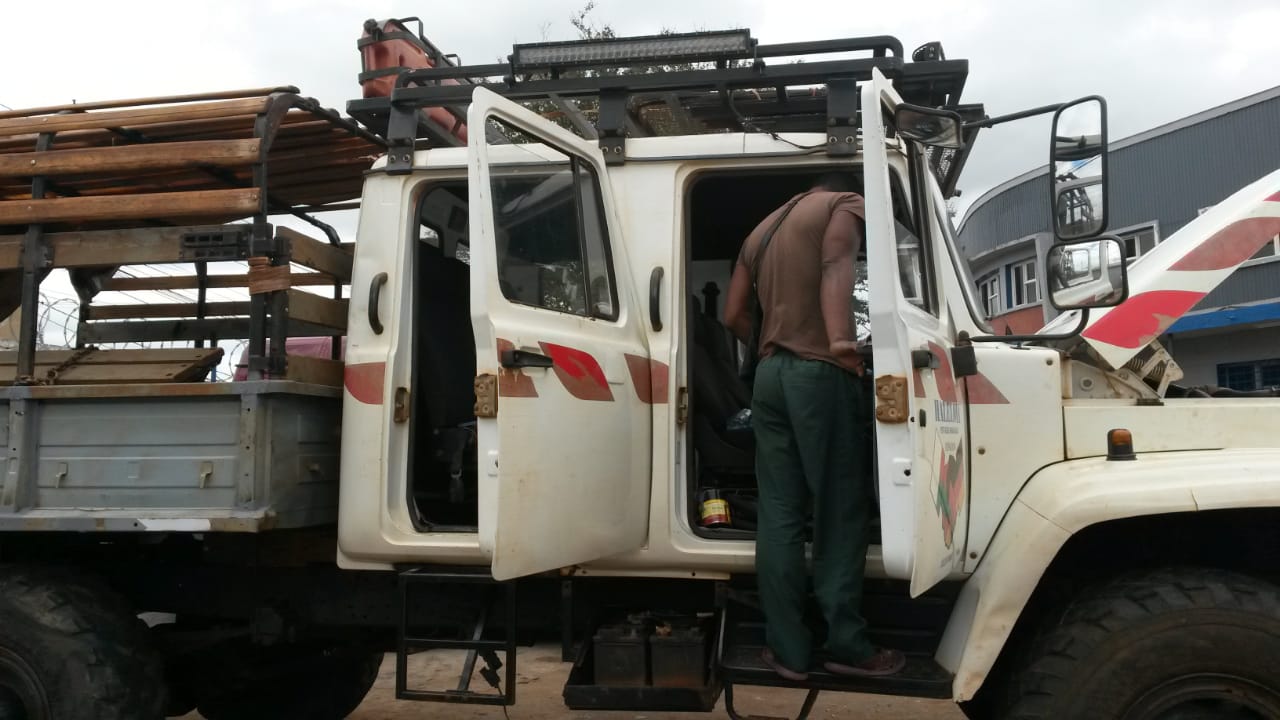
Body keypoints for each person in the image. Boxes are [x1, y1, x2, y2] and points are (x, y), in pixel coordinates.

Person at [724, 173, 906, 681]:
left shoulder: (759, 231)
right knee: (838, 510)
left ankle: (788, 650)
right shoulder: (845, 204)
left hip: (770, 377)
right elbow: (834, 264)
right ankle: (846, 644)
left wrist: (775, 341)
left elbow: (733, 314)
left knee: (779, 512)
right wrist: (840, 342)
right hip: (819, 376)